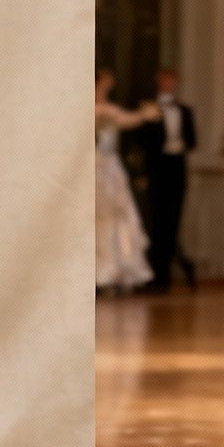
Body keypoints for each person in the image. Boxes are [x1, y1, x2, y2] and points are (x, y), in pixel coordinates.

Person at [96, 70, 162, 292]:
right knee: (100, 217)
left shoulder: (109, 108)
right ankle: (99, 271)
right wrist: (142, 115)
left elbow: (126, 120)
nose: (110, 84)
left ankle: (113, 272)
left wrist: (143, 116)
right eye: (106, 81)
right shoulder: (96, 110)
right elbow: (122, 120)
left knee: (118, 218)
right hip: (95, 168)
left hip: (111, 169)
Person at [142, 68, 198, 292]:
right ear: (159, 82)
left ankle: (171, 271)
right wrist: (161, 147)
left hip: (177, 171)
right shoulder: (149, 108)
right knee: (157, 222)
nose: (169, 83)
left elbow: (193, 140)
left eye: (173, 80)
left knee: (173, 223)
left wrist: (180, 145)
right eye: (166, 80)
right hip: (157, 171)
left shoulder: (185, 111)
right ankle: (161, 275)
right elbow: (142, 139)